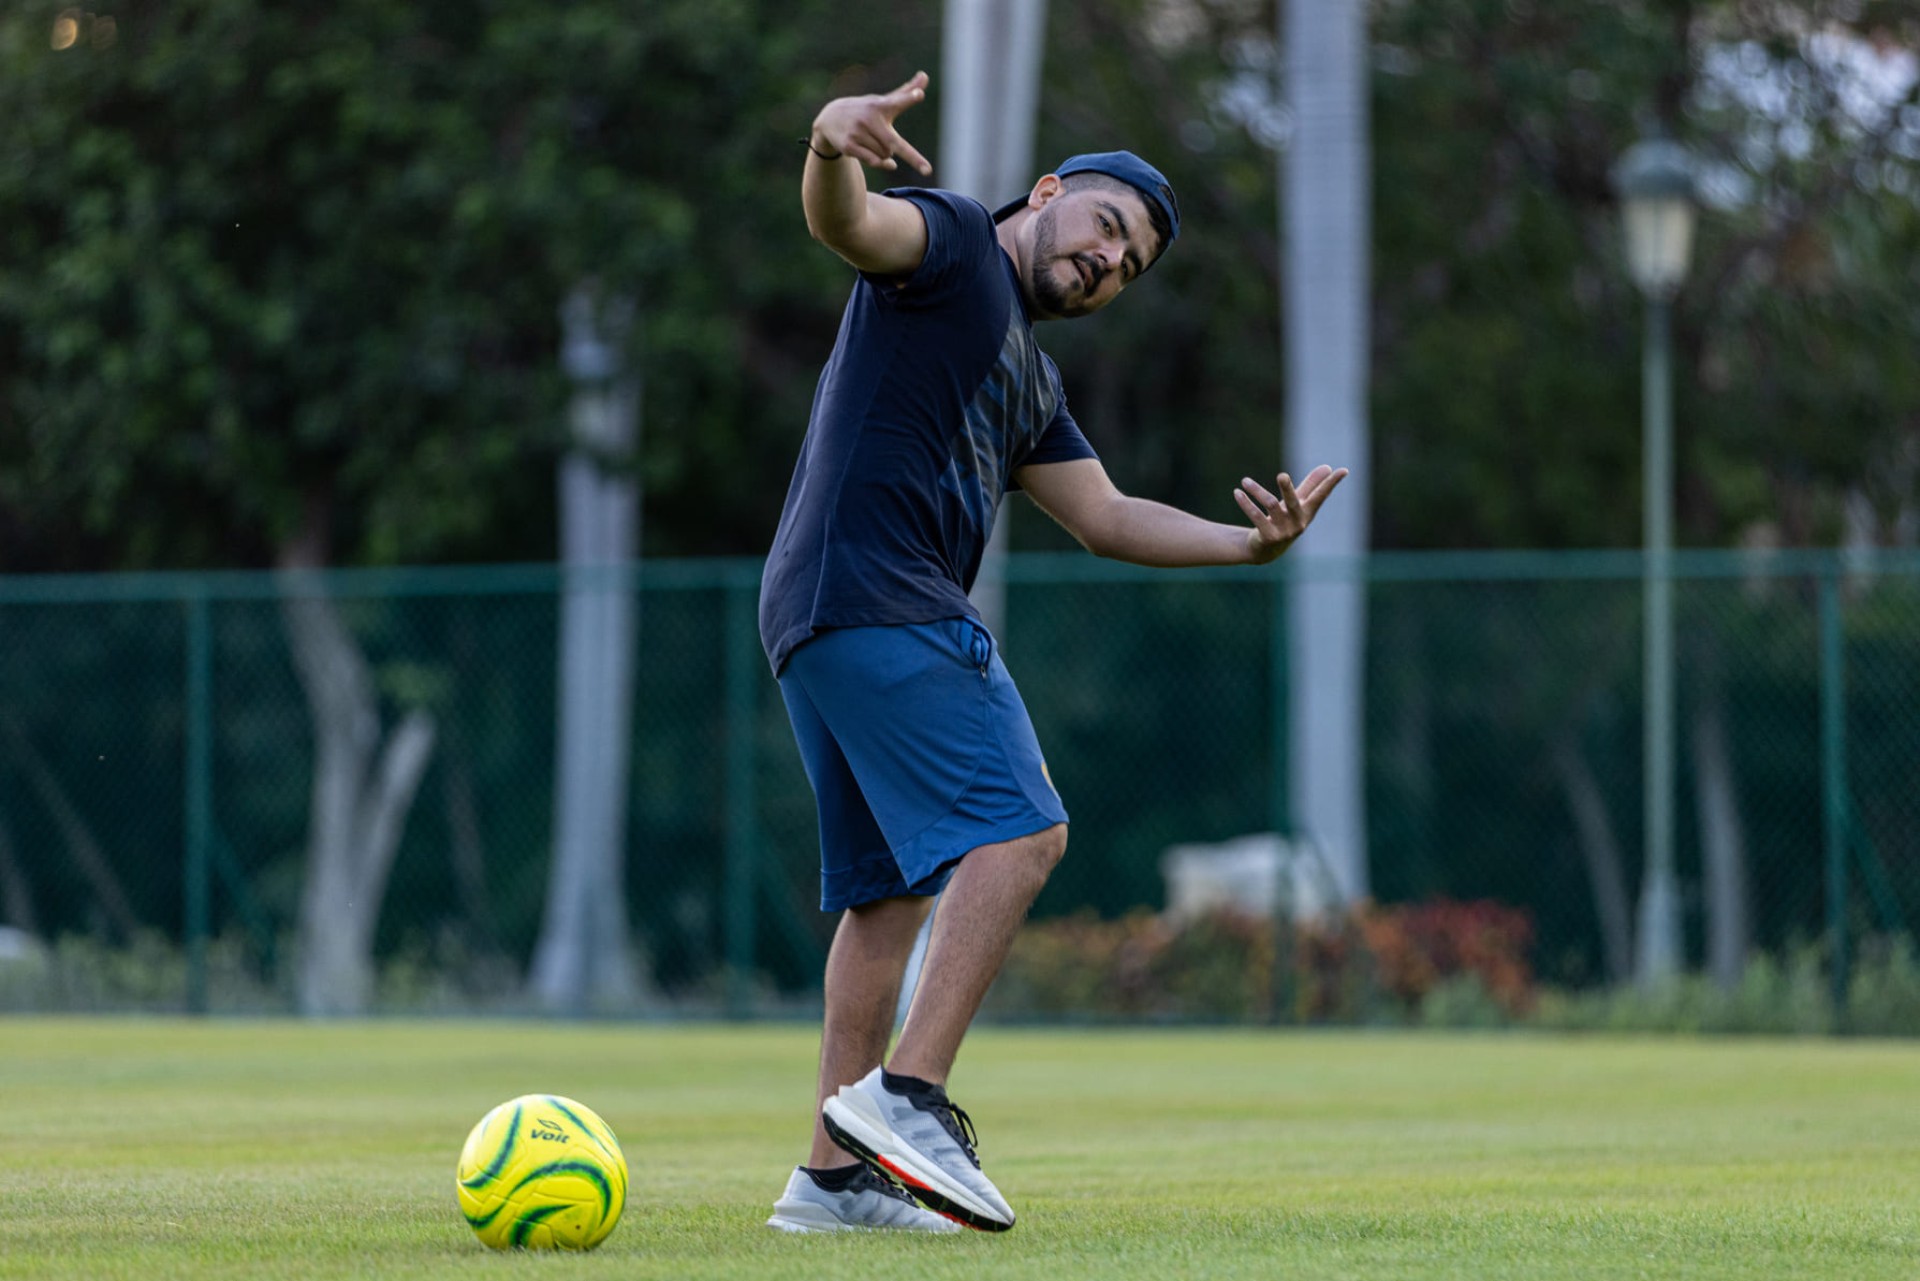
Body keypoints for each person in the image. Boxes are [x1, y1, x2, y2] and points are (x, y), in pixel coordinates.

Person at [760, 69, 1347, 1235]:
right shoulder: (957, 246)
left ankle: (831, 1183)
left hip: (818, 610)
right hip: (882, 595)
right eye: (1106, 226)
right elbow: (852, 227)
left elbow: (1108, 516)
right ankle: (909, 1098)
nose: (1109, 261)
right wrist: (828, 143)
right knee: (1023, 830)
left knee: (887, 899)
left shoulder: (1029, 372)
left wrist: (1250, 546)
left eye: (1130, 264)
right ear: (1046, 195)